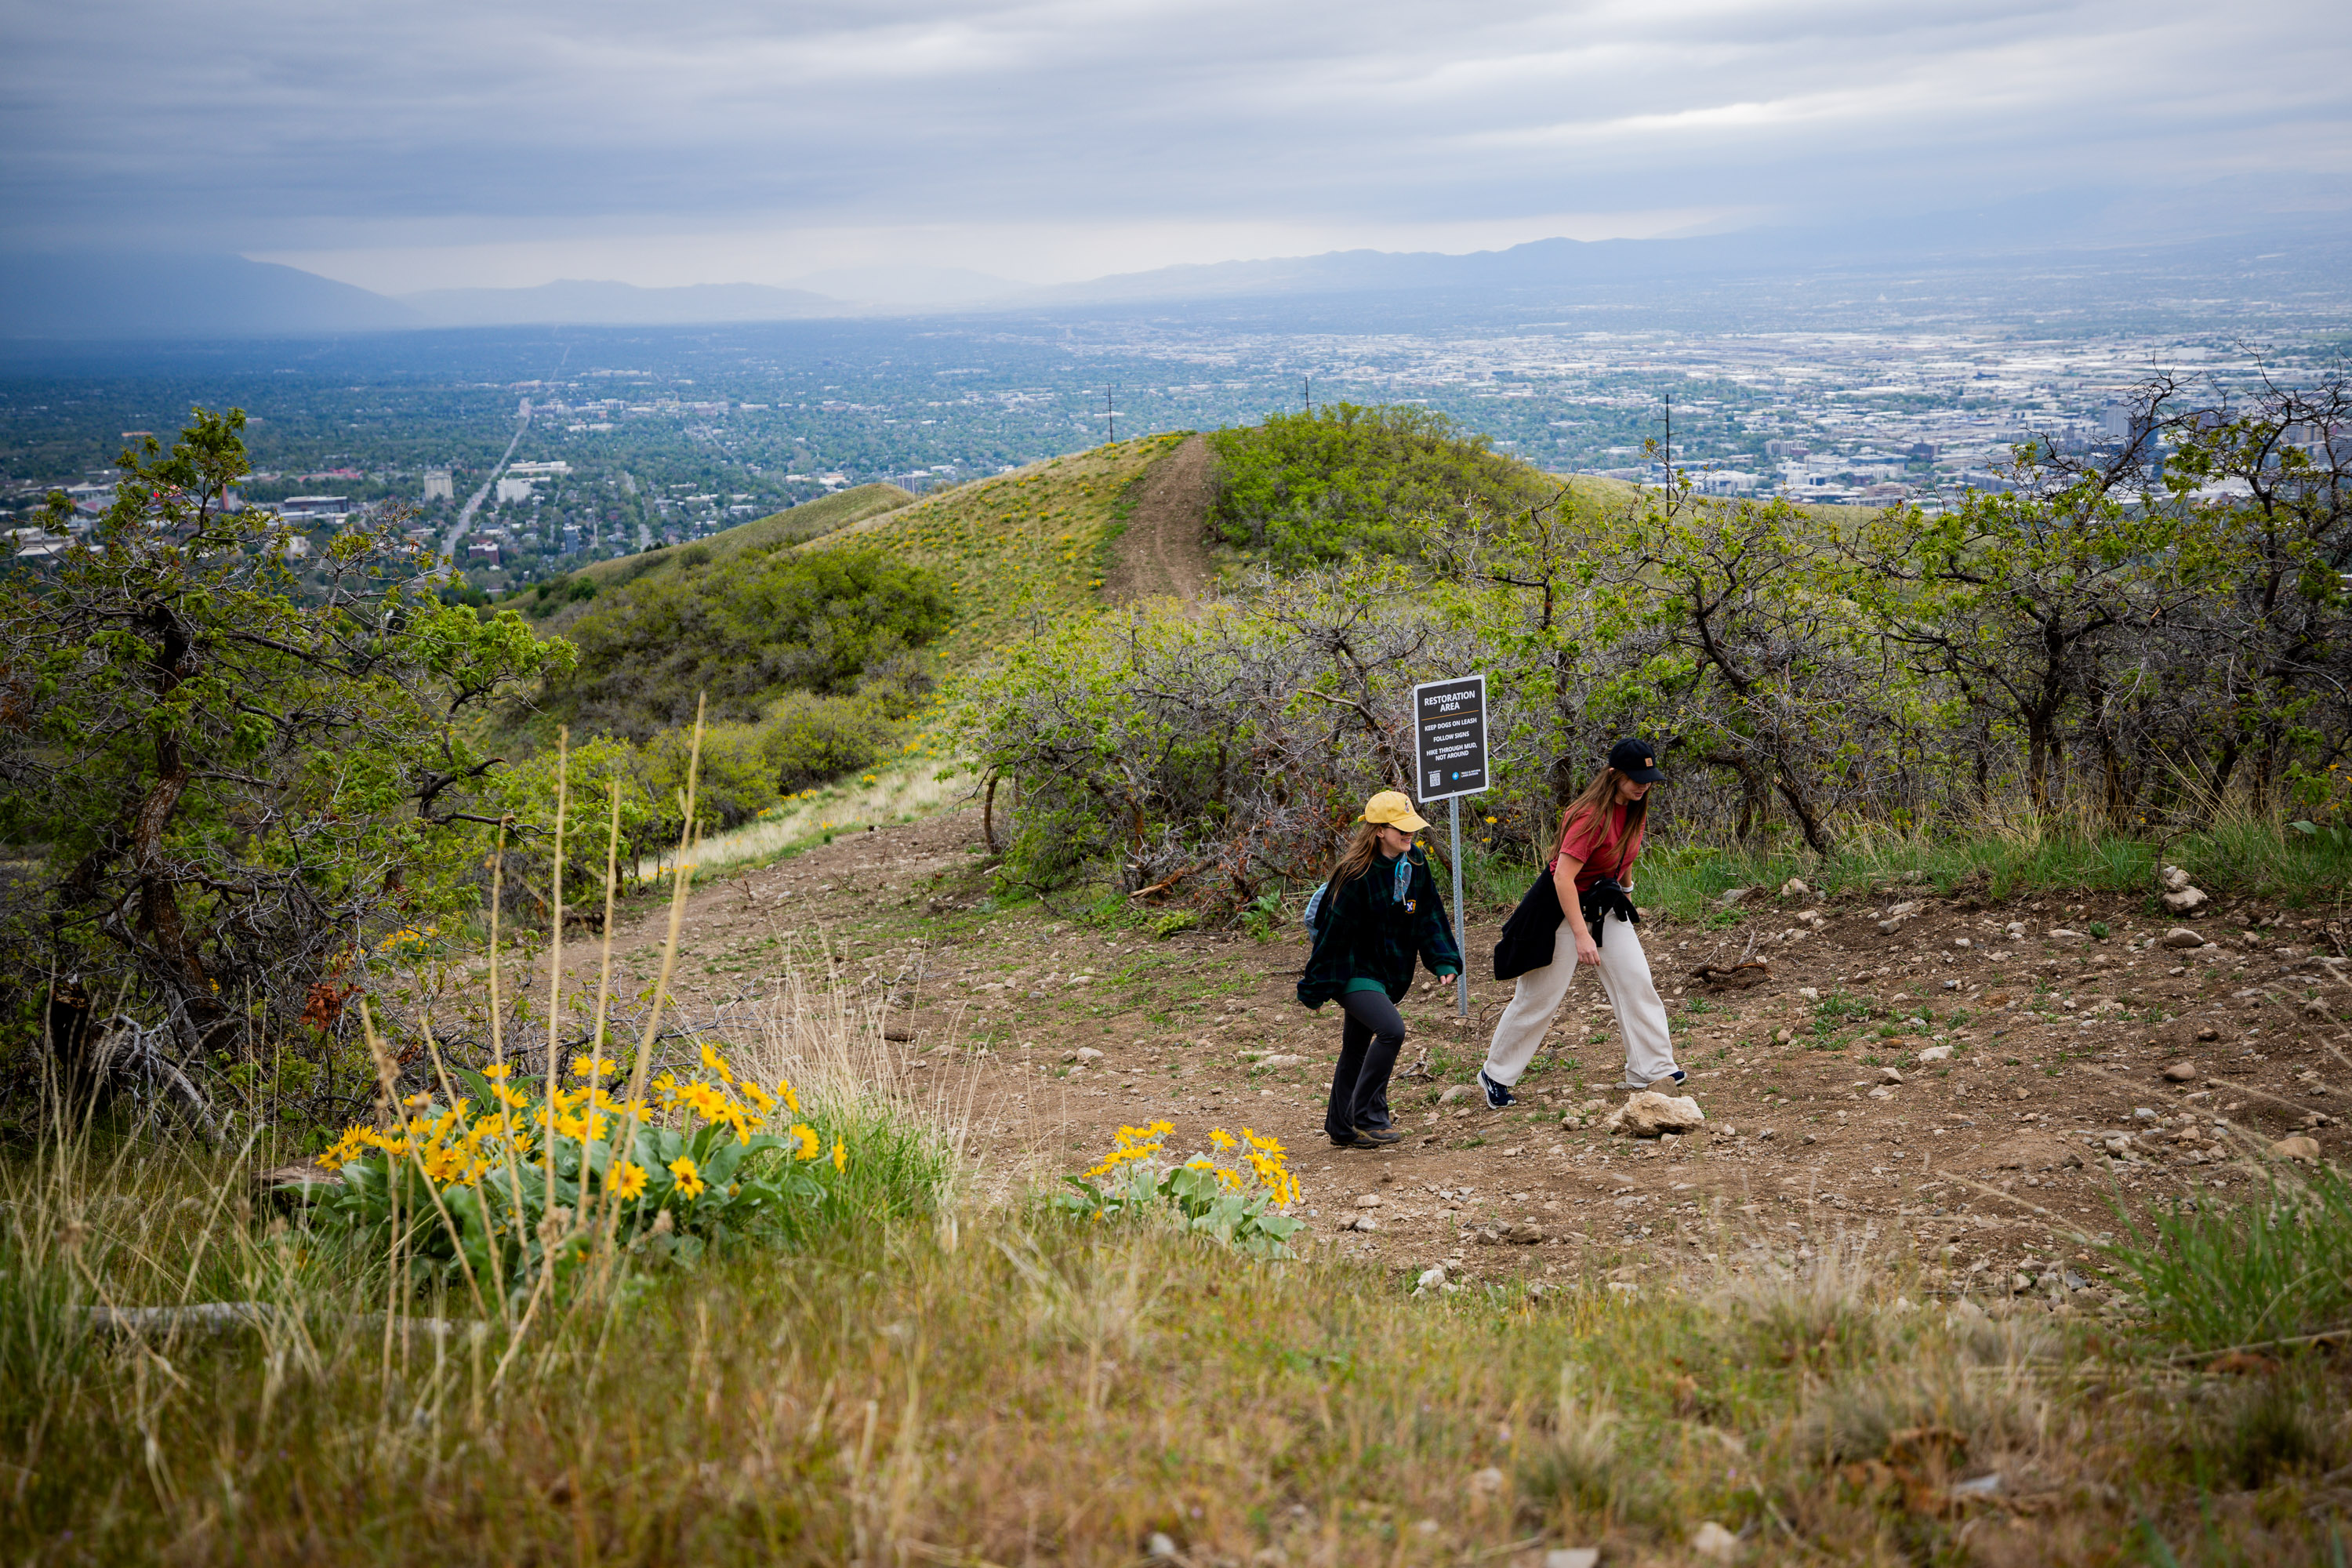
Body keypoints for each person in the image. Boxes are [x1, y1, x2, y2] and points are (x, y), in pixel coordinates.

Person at [1478, 739, 1681, 1106]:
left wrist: (1627, 897)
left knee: (1636, 980)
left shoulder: (1636, 807)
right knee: (1540, 998)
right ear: (1613, 775)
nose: (1643, 784)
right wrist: (1580, 934)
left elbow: (1626, 854)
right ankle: (1495, 1074)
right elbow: (1562, 879)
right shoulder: (1589, 816)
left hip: (1605, 903)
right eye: (1636, 778)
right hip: (1559, 910)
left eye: (1648, 778)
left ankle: (1651, 1068)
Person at [1297, 790, 1463, 1149]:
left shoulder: (1414, 861)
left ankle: (1341, 1127)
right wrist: (1316, 985)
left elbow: (1430, 914)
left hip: (1387, 971)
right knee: (1391, 1030)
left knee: (1356, 1047)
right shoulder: (1355, 875)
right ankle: (1368, 1113)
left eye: (1411, 828)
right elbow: (1332, 934)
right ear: (1378, 831)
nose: (1409, 835)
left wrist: (1443, 958)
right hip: (1352, 968)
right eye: (1400, 829)